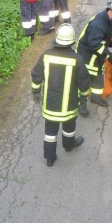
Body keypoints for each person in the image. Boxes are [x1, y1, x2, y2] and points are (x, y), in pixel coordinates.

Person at [31, 24, 90, 167]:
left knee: (50, 132)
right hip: (69, 106)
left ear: (57, 39)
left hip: (50, 105)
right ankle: (69, 145)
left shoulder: (46, 56)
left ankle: (50, 158)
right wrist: (83, 98)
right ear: (71, 41)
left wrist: (36, 92)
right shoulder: (77, 59)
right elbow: (84, 83)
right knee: (69, 127)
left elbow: (36, 76)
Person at [76, 1, 112, 111]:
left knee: (98, 76)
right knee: (85, 79)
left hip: (95, 53)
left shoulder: (107, 20)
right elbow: (94, 43)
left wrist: (109, 43)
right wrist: (108, 55)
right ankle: (80, 103)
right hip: (87, 54)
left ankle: (95, 98)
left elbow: (100, 38)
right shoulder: (98, 23)